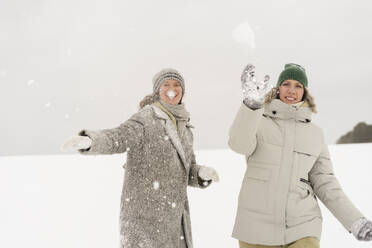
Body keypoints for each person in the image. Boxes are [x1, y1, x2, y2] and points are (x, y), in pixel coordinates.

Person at [62, 68, 219, 248]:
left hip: (175, 223)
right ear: (157, 91)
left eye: (177, 85)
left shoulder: (186, 128)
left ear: (183, 91)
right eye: (166, 84)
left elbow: (186, 169)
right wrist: (91, 141)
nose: (172, 89)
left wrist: (200, 174)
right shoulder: (147, 118)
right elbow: (118, 137)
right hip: (145, 223)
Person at [228, 63, 372, 248]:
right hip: (256, 227)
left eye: (298, 86)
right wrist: (251, 106)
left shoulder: (315, 134)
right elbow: (238, 145)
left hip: (302, 225)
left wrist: (354, 220)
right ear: (278, 88)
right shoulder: (258, 120)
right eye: (286, 84)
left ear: (304, 92)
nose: (291, 90)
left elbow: (325, 182)